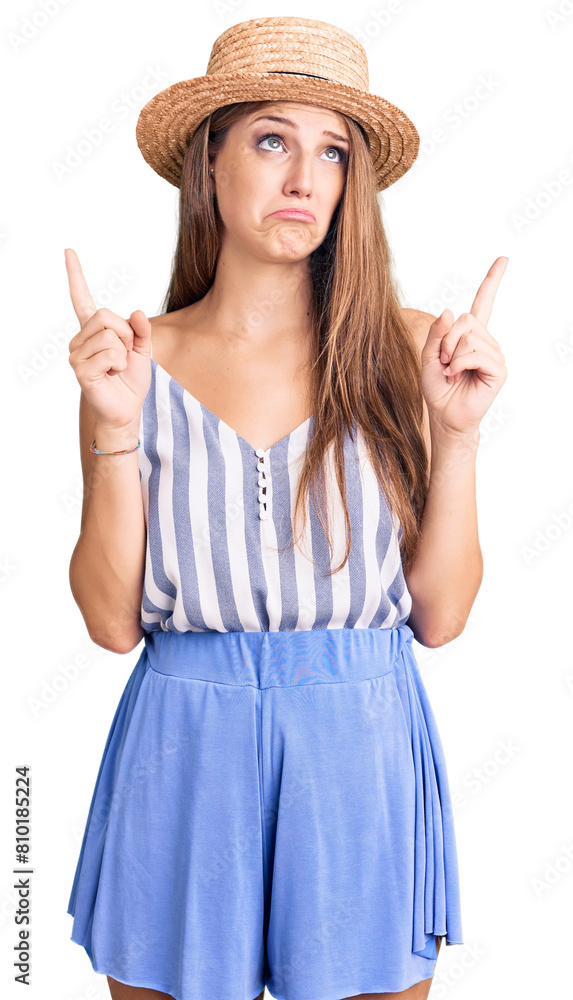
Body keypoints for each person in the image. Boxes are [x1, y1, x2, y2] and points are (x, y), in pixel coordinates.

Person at [64, 16, 508, 1000]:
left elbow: (440, 617)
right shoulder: (137, 361)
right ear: (210, 159)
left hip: (358, 744)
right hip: (184, 746)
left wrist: (462, 434)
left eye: (332, 151)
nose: (305, 178)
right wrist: (111, 423)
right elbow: (106, 621)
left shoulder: (415, 350)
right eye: (272, 139)